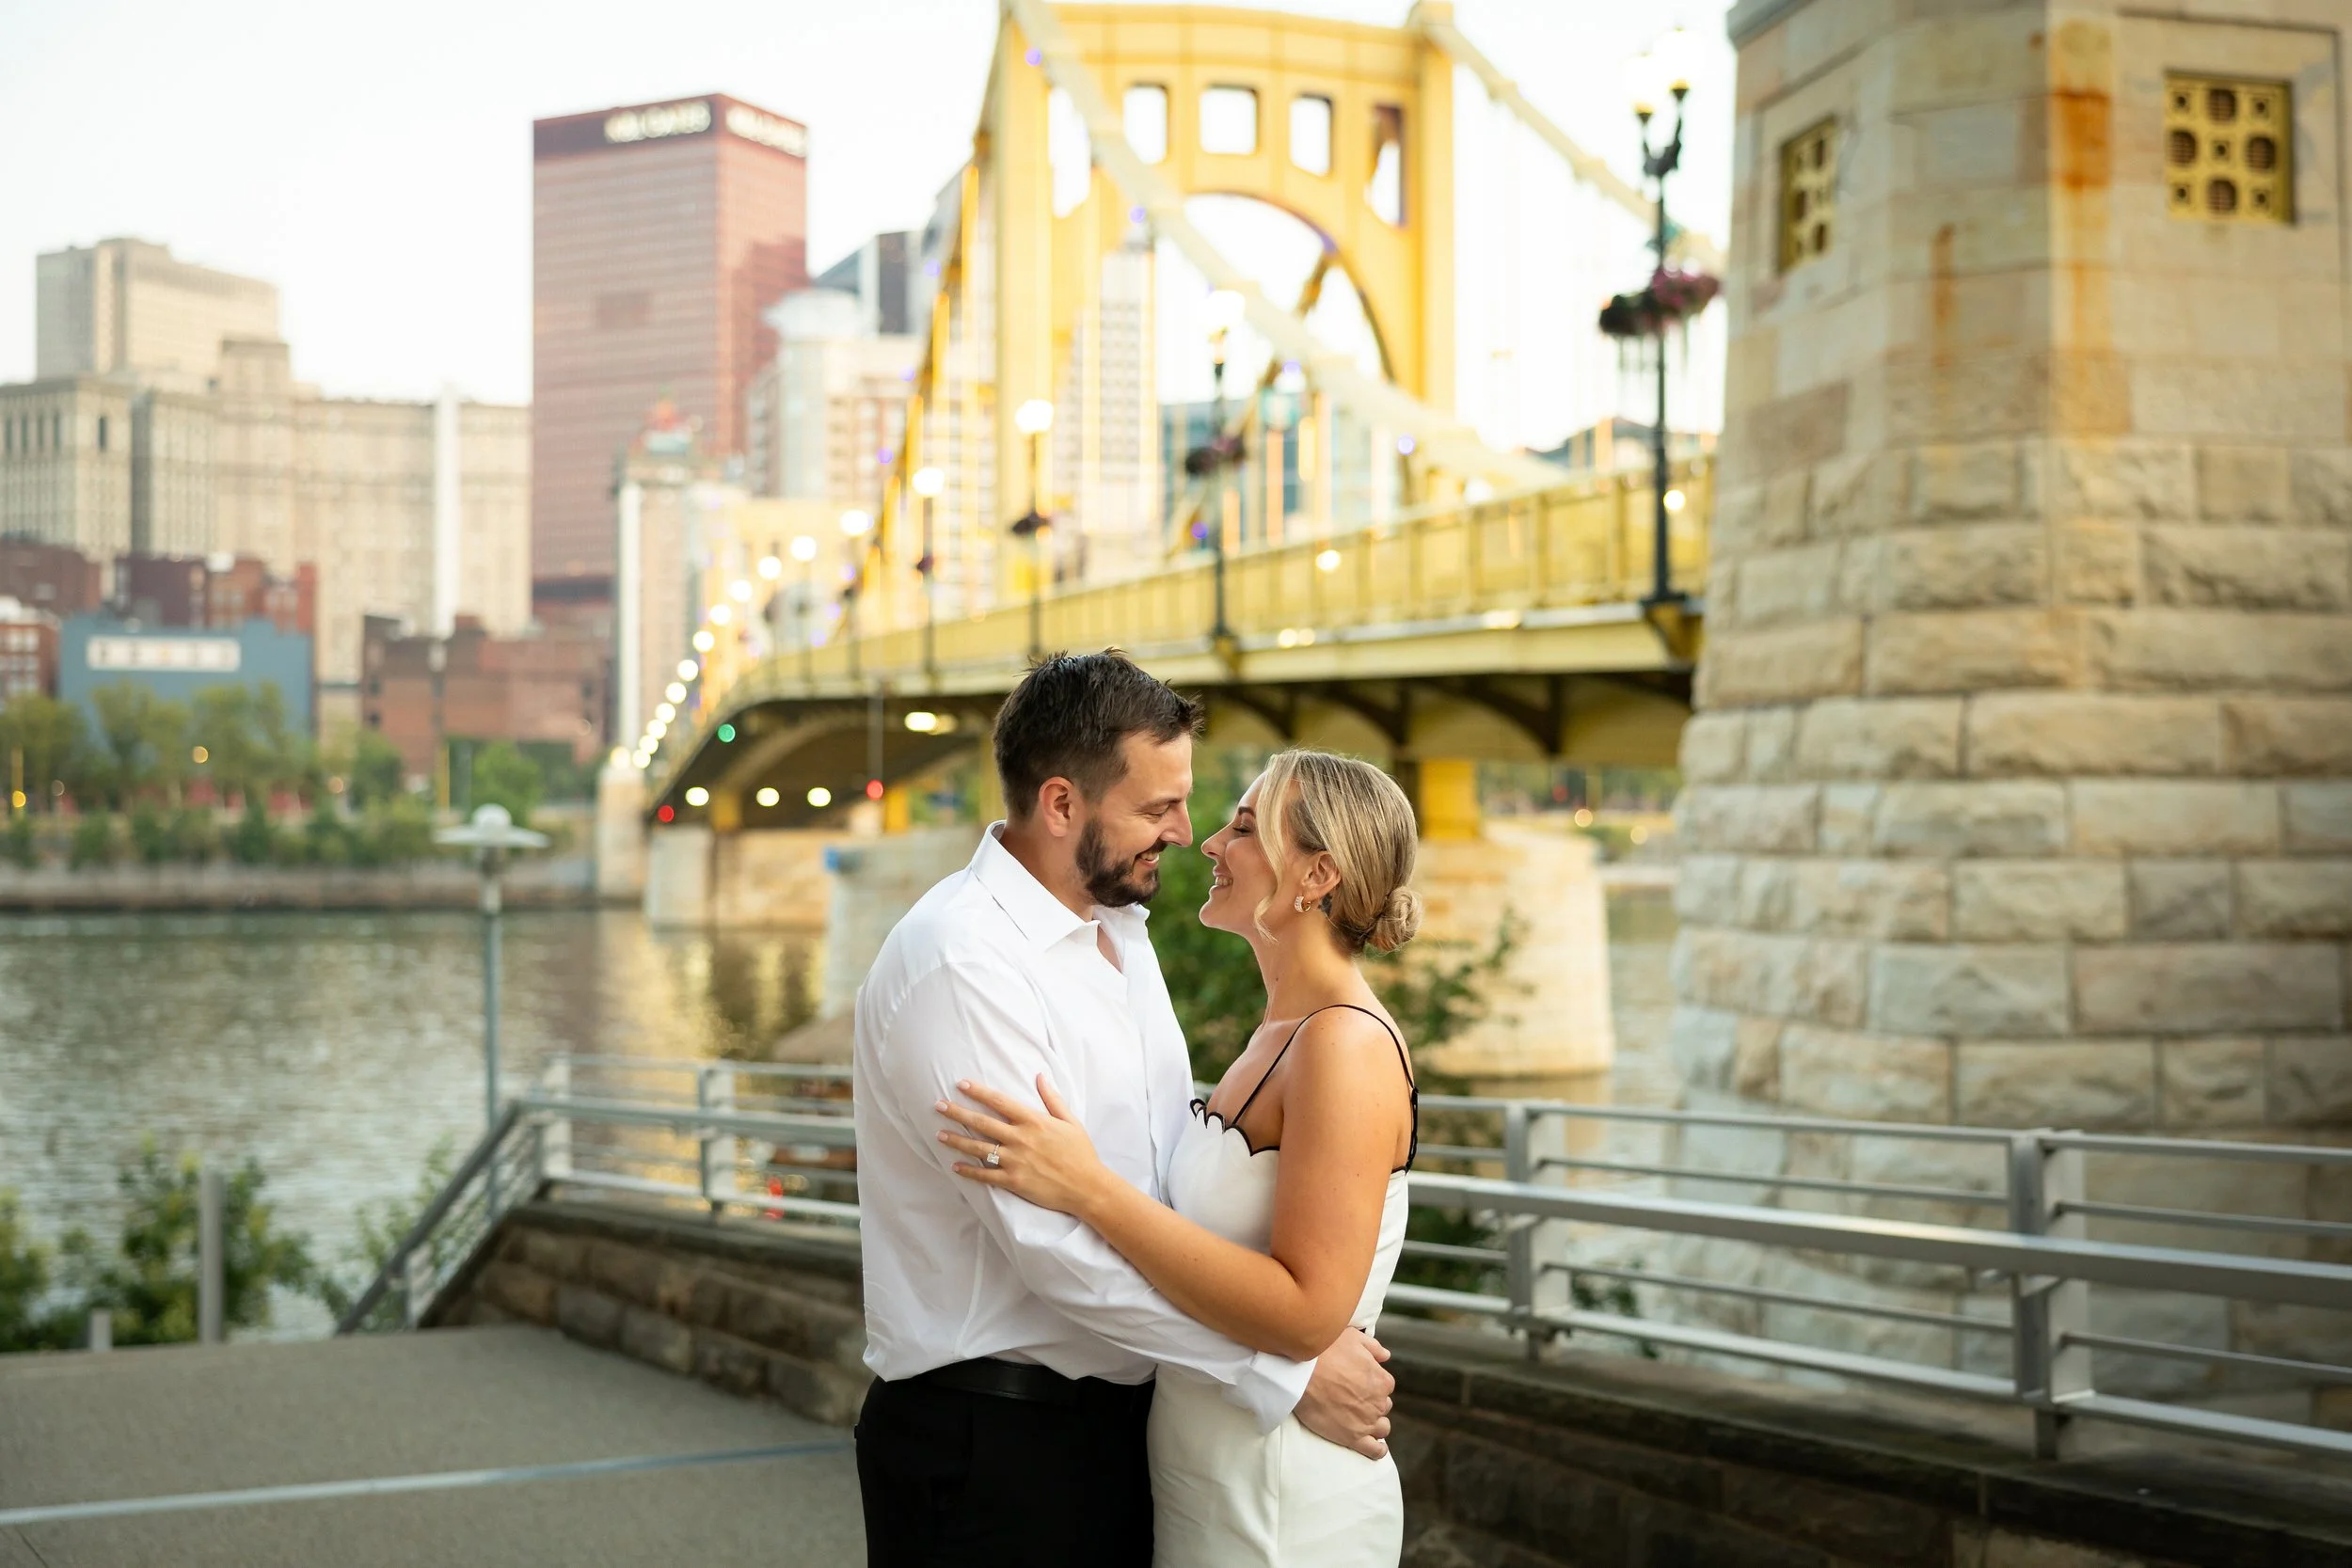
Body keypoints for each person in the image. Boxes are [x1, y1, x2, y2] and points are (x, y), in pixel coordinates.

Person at [851, 652, 1398, 1568]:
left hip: (1127, 1432)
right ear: (1062, 803)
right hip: (994, 1444)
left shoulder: (1119, 929)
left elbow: (1157, 1181)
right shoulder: (963, 963)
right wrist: (1282, 1366)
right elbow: (1053, 1251)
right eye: (1157, 808)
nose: (1185, 833)